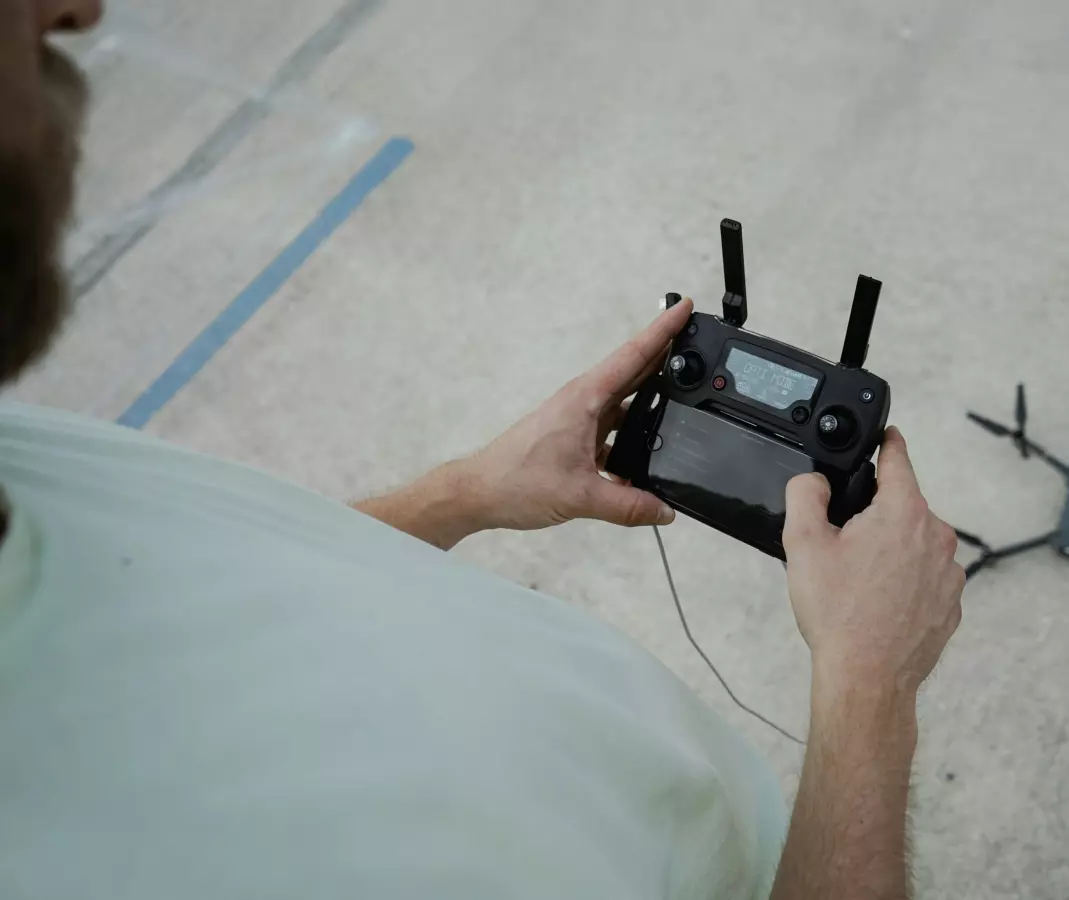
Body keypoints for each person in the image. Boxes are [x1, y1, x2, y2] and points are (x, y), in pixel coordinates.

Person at [0, 2, 966, 898]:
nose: (80, 11)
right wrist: (867, 685)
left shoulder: (24, 450)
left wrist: (465, 492)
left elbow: (221, 582)